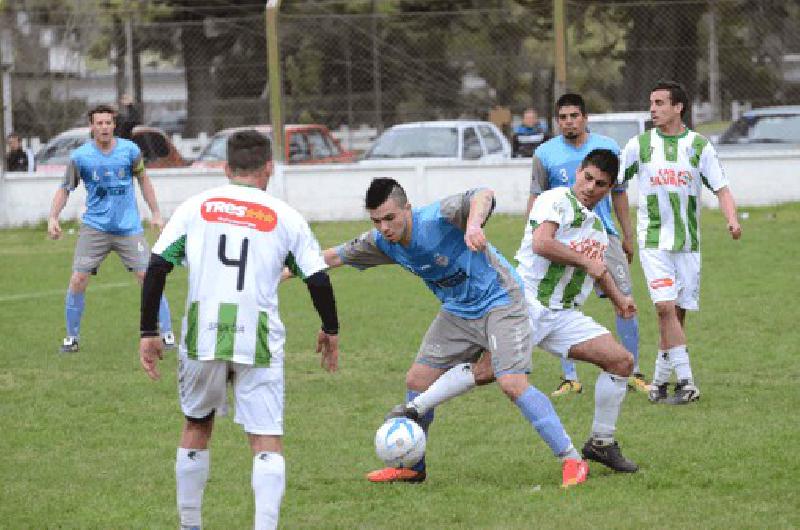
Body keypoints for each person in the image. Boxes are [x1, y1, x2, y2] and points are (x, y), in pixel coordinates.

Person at [322, 178, 589, 487]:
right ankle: (412, 466)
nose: (384, 227)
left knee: (512, 383)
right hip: (459, 311)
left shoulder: (437, 217)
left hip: (501, 300)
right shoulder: (383, 242)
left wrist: (473, 225)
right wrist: (281, 271)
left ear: (407, 209)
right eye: (376, 221)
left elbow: (483, 194)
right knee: (417, 381)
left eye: (390, 218)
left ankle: (572, 459)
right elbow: (332, 257)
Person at [139, 129, 341, 530]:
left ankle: (190, 525)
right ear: (269, 167)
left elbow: (157, 267)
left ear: (226, 167)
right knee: (265, 437)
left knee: (197, 424)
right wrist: (329, 328)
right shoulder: (285, 216)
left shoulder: (196, 207)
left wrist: (148, 331)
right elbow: (318, 278)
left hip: (203, 334)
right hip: (258, 337)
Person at [398, 150, 640, 473]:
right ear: (579, 172)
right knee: (486, 371)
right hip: (524, 302)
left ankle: (601, 442)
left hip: (562, 316)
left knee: (621, 361)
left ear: (609, 189)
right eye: (587, 177)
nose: (590, 187)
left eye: (600, 184)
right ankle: (413, 409)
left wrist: (619, 299)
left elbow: (596, 269)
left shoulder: (596, 227)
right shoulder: (556, 199)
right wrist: (586, 262)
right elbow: (542, 243)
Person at [619, 80, 741, 405]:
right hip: (653, 242)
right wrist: (615, 227)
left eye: (660, 103)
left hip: (688, 244)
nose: (653, 109)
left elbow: (722, 188)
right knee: (664, 308)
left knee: (676, 317)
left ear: (678, 107)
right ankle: (687, 383)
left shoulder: (699, 146)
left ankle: (659, 383)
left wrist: (732, 218)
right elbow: (615, 184)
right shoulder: (639, 145)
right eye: (651, 102)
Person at [527, 93, 648, 397]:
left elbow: (619, 193)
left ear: (585, 118)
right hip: (562, 237)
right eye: (563, 117)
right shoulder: (545, 153)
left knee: (624, 299)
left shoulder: (607, 148)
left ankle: (630, 370)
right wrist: (534, 232)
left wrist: (626, 235)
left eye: (574, 116)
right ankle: (570, 378)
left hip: (602, 235)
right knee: (561, 301)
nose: (569, 122)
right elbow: (536, 195)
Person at [47, 104, 174, 353]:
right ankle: (72, 339)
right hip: (95, 228)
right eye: (99, 123)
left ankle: (167, 333)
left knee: (147, 277)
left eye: (108, 123)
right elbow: (65, 188)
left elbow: (144, 180)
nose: (104, 127)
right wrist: (53, 217)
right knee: (78, 279)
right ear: (92, 126)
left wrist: (156, 213)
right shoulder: (81, 157)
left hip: (128, 228)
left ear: (114, 125)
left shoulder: (130, 151)